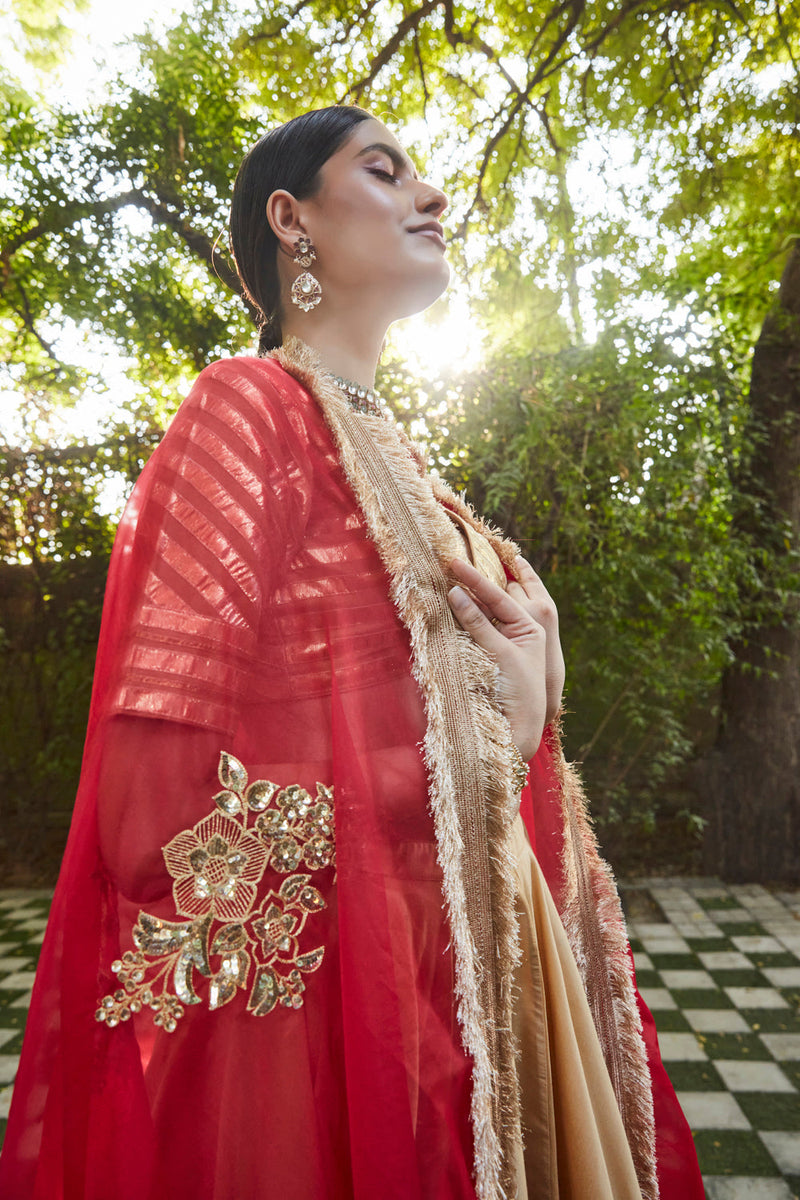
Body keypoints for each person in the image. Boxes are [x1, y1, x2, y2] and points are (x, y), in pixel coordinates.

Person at [0, 105, 704, 1200]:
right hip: (357, 1032)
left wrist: (525, 710)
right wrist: (495, 732)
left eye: (425, 173)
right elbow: (154, 824)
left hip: (488, 988)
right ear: (292, 220)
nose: (431, 194)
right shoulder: (250, 415)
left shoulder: (411, 474)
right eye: (385, 170)